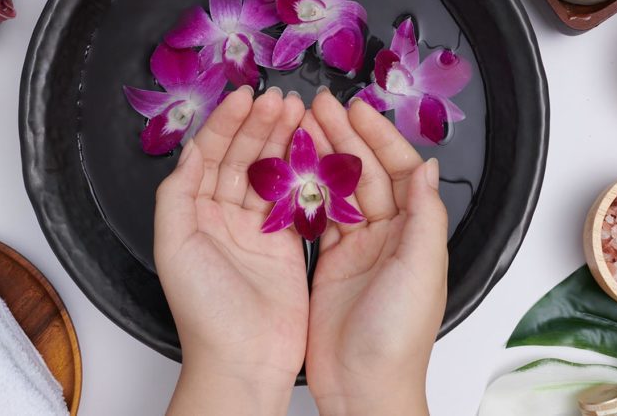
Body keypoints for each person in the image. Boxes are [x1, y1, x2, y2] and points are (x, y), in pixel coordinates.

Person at [154, 85, 449, 415]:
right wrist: (377, 387)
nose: (310, 200)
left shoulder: (325, 208)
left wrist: (234, 372)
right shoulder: (287, 212)